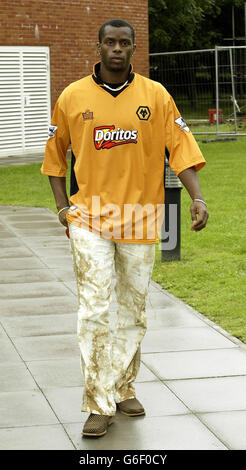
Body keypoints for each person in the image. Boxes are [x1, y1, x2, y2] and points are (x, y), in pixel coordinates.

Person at [41, 18, 209, 438]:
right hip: (90, 218)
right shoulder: (72, 96)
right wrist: (63, 208)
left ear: (133, 49)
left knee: (133, 311)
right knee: (95, 310)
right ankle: (99, 404)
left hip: (140, 218)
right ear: (97, 47)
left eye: (124, 43)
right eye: (110, 42)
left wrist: (198, 197)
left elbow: (181, 148)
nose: (117, 48)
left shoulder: (156, 95)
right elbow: (54, 155)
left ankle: (123, 386)